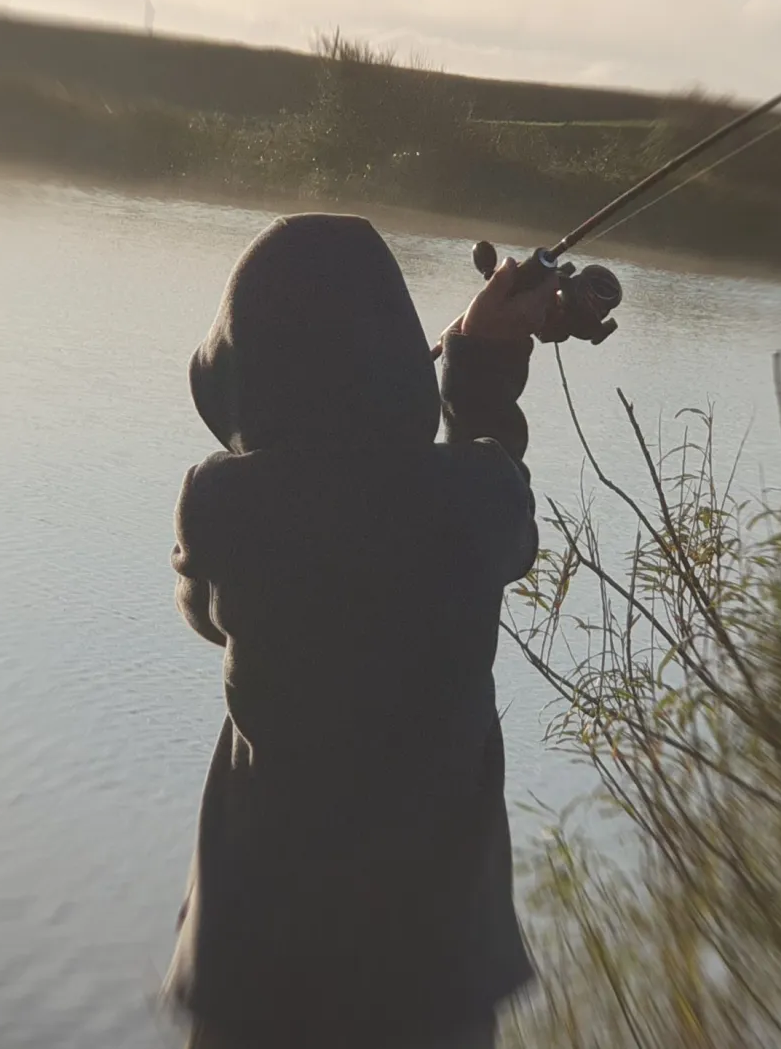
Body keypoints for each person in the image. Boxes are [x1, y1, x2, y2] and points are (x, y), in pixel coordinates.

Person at [161, 213, 557, 1049]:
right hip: (435, 980)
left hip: (256, 973)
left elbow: (199, 608)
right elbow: (493, 468)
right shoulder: (475, 504)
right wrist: (478, 372)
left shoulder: (222, 506)